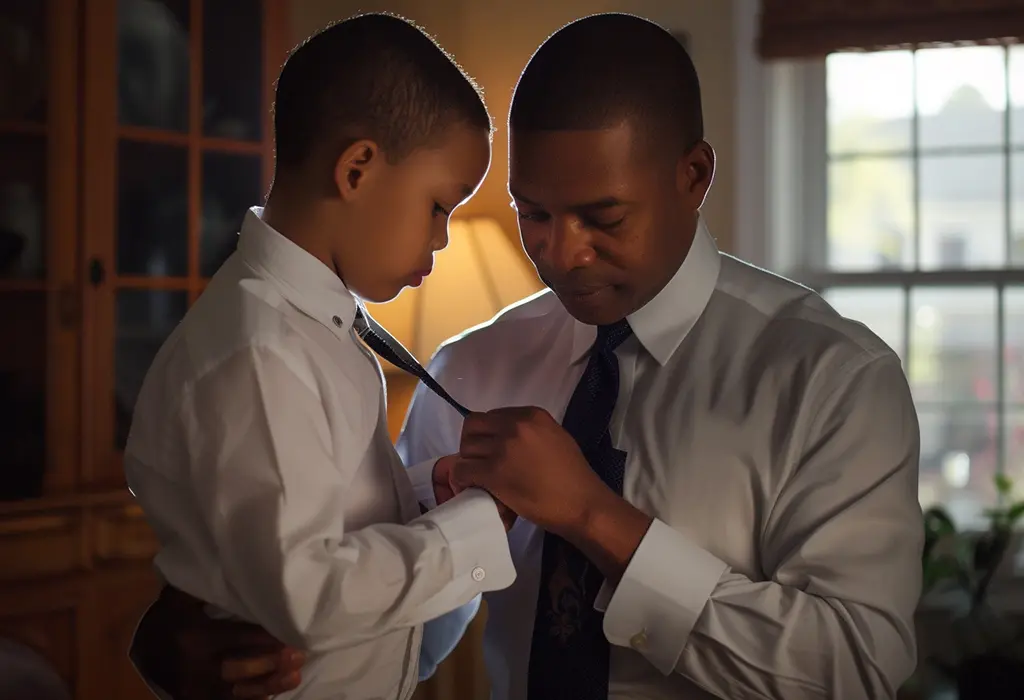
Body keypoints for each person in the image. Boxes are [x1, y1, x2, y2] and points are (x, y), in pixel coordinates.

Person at [130, 12, 924, 700]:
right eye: (533, 214)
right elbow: (400, 608)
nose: (561, 252)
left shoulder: (833, 381)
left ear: (693, 177)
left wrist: (594, 517)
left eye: (600, 216)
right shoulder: (471, 370)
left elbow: (854, 672)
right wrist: (239, 645)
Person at [122, 13, 520, 700]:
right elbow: (307, 591)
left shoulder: (316, 328)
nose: (443, 238)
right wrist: (475, 530)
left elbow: (326, 508)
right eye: (438, 207)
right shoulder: (260, 354)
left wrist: (429, 495)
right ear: (358, 168)